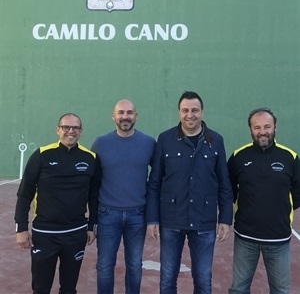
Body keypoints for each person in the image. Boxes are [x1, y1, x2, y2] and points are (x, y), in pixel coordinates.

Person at [146, 91, 233, 294]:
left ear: (202, 112)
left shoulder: (216, 141)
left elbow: (224, 182)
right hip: (171, 219)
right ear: (179, 112)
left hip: (204, 219)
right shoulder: (165, 139)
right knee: (167, 278)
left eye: (194, 110)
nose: (190, 115)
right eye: (185, 110)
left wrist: (226, 219)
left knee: (203, 280)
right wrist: (152, 219)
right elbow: (154, 182)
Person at [15, 113, 101, 294]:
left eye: (75, 128)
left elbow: (94, 196)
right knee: (40, 287)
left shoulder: (91, 158)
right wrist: (21, 228)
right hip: (45, 233)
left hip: (75, 234)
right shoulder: (41, 155)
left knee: (69, 288)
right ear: (58, 130)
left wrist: (92, 226)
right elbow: (24, 194)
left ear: (81, 131)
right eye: (66, 127)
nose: (71, 131)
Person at [227, 107, 300, 294]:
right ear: (250, 129)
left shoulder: (290, 157)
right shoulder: (238, 156)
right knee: (238, 289)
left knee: (280, 290)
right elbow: (228, 188)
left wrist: (283, 209)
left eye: (267, 126)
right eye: (257, 127)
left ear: (275, 127)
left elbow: (298, 191)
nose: (262, 132)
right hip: (245, 237)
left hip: (279, 239)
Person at [91, 99, 156, 294]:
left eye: (129, 113)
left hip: (138, 215)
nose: (125, 117)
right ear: (113, 116)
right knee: (104, 265)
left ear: (136, 116)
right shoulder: (100, 143)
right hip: (107, 214)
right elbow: (92, 183)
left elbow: (158, 179)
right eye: (120, 113)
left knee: (135, 266)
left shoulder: (149, 143)